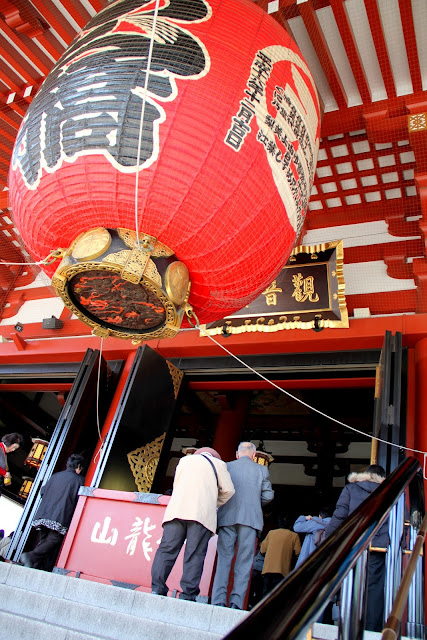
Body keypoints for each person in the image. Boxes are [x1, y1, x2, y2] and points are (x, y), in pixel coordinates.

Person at [151, 447, 234, 601]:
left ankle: (157, 588)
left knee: (166, 550)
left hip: (177, 511)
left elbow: (177, 485)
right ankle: (188, 594)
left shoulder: (184, 461)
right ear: (215, 456)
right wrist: (212, 502)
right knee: (195, 554)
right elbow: (229, 490)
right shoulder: (218, 464)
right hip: (200, 515)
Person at [324, 464, 389, 632]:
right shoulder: (390, 490)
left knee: (350, 584)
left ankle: (348, 627)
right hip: (377, 548)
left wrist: (327, 539)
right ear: (382, 477)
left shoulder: (351, 489)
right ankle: (371, 631)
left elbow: (340, 516)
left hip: (352, 545)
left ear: (366, 475)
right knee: (374, 589)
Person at [211, 441, 274, 610]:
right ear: (254, 456)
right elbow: (268, 496)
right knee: (244, 563)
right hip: (250, 519)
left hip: (227, 518)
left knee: (224, 559)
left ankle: (217, 600)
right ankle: (236, 603)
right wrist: (254, 502)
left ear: (237, 454)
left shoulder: (227, 466)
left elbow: (218, 490)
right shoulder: (261, 469)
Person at [21, 453, 85, 571]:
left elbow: (42, 492)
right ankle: (31, 556)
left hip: (44, 513)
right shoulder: (79, 480)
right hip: (59, 515)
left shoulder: (55, 476)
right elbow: (79, 500)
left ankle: (35, 566)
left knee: (45, 540)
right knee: (55, 539)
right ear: (79, 466)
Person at [260, 516, 301, 595]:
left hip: (268, 569)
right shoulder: (294, 536)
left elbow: (262, 550)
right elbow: (298, 553)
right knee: (278, 595)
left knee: (266, 594)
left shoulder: (271, 533)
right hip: (283, 570)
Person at [0, 433, 24, 497]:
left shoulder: (4, 453)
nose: (13, 450)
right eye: (14, 447)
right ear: (9, 443)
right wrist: (4, 473)